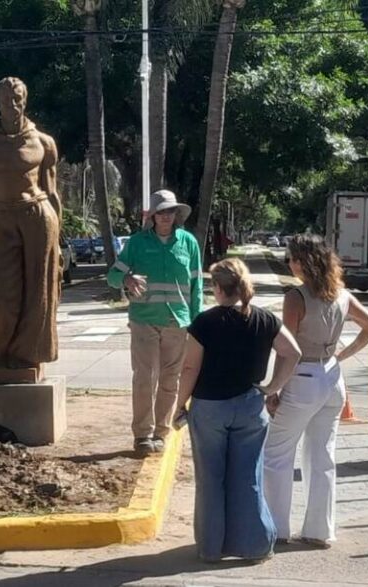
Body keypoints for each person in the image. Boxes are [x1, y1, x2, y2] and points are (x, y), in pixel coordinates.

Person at [174, 258, 301, 563]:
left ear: (218, 288)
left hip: (209, 408)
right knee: (248, 477)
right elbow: (292, 352)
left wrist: (179, 404)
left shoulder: (204, 323)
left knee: (211, 479)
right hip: (249, 405)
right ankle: (255, 544)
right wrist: (272, 387)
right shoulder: (265, 320)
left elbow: (190, 367)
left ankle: (211, 547)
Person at [263, 234, 368, 548]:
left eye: (292, 258)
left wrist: (274, 388)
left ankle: (276, 529)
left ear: (303, 262)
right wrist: (341, 355)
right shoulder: (341, 294)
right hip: (331, 376)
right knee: (322, 455)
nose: (289, 263)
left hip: (302, 378)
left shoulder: (296, 298)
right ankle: (319, 530)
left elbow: (288, 350)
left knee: (276, 453)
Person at [0, 77, 61, 378]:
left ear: (25, 101)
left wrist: (60, 235)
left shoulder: (44, 143)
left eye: (17, 99)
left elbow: (52, 193)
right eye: (6, 100)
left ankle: (27, 356)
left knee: (38, 292)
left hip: (39, 217)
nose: (12, 105)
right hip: (0, 217)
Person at [106, 189, 203, 457]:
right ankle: (142, 435)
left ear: (176, 214)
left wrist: (197, 322)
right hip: (144, 321)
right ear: (152, 216)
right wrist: (126, 280)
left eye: (170, 211)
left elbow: (196, 285)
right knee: (145, 378)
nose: (166, 216)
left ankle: (161, 432)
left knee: (170, 379)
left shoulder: (188, 243)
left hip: (177, 321)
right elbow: (112, 276)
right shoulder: (136, 243)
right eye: (161, 212)